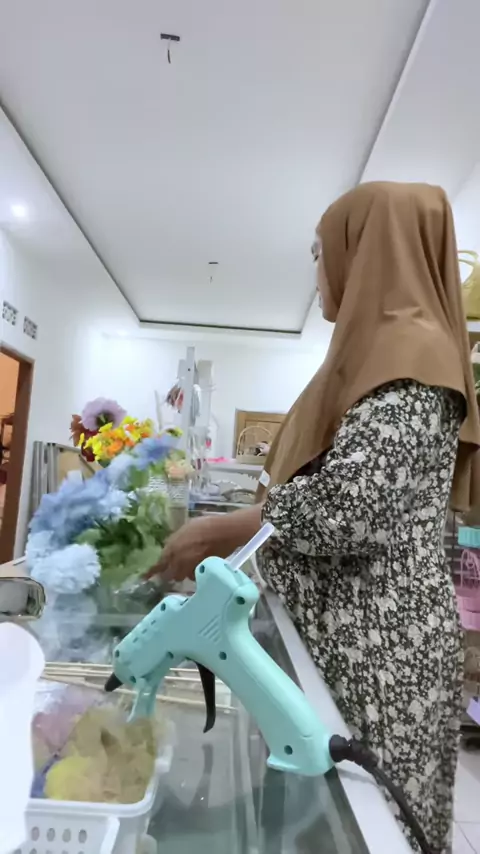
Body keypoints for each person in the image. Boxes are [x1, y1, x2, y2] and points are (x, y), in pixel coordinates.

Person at [148, 182, 480, 853]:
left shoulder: (413, 358)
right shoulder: (380, 359)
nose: (318, 269)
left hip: (383, 657)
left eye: (321, 251)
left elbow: (348, 509)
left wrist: (221, 530)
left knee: (373, 823)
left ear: (370, 252)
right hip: (359, 645)